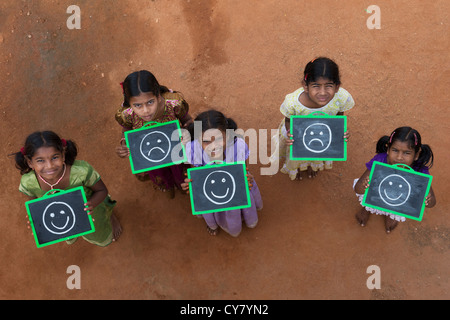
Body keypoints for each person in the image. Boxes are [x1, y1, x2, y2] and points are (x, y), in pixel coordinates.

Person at [14, 131, 121, 246]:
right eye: (40, 160)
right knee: (69, 230)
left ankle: (110, 216)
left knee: (98, 231)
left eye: (55, 157)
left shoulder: (81, 172)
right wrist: (37, 218)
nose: (49, 166)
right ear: (30, 162)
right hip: (59, 217)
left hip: (89, 211)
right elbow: (34, 203)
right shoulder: (28, 183)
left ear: (63, 155)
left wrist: (91, 204)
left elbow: (102, 190)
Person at [181, 110, 263, 236]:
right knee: (215, 209)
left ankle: (243, 217)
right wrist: (192, 184)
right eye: (206, 141)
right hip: (210, 190)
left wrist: (247, 178)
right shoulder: (193, 149)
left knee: (236, 207)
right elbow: (195, 172)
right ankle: (214, 223)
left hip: (235, 187)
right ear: (198, 140)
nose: (213, 146)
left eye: (219, 139)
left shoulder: (238, 146)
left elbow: (243, 170)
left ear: (228, 135)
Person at [272, 57, 354, 180]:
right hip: (299, 136)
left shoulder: (341, 98)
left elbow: (339, 114)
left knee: (316, 153)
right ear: (305, 86)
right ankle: (299, 167)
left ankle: (312, 166)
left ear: (337, 87)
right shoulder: (293, 103)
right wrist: (290, 133)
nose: (322, 93)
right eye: (316, 85)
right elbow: (288, 120)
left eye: (328, 86)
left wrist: (339, 130)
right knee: (298, 154)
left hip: (322, 135)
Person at [115, 70, 193, 198]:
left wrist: (187, 133)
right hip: (150, 154)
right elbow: (126, 131)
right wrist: (124, 143)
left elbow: (188, 121)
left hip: (176, 151)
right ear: (129, 103)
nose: (145, 111)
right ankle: (166, 186)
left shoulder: (174, 103)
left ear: (158, 95)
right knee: (159, 173)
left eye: (150, 102)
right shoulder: (127, 114)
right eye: (137, 105)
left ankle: (181, 186)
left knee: (180, 173)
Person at [353, 127, 436, 233]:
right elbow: (358, 189)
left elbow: (432, 202)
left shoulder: (420, 171)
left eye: (407, 153)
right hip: (377, 195)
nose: (399, 157)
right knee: (369, 200)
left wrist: (428, 200)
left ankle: (390, 215)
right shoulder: (380, 161)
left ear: (417, 154)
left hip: (399, 201)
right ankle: (366, 209)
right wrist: (364, 186)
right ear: (388, 149)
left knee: (394, 209)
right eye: (395, 150)